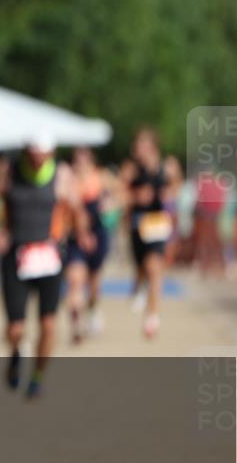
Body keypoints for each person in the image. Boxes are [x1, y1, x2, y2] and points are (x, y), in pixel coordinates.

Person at [0, 136, 90, 398]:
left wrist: (78, 231)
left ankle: (38, 376)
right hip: (16, 255)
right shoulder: (9, 171)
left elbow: (77, 209)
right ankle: (16, 354)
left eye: (46, 153)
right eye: (36, 153)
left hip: (49, 256)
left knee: (48, 324)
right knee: (16, 328)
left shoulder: (61, 174)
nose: (41, 159)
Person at [120, 127, 175, 339]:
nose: (137, 149)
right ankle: (139, 287)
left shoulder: (166, 167)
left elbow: (175, 188)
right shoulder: (130, 169)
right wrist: (135, 197)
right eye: (136, 145)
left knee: (154, 268)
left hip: (157, 225)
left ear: (152, 147)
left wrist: (167, 194)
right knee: (142, 267)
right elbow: (120, 193)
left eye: (142, 145)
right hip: (137, 226)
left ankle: (152, 316)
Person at [63, 147, 111, 342]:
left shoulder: (101, 177)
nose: (81, 164)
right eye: (77, 160)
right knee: (75, 281)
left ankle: (93, 308)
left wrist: (111, 203)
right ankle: (76, 324)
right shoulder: (68, 181)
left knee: (94, 283)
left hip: (98, 235)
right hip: (75, 238)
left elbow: (122, 193)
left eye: (84, 159)